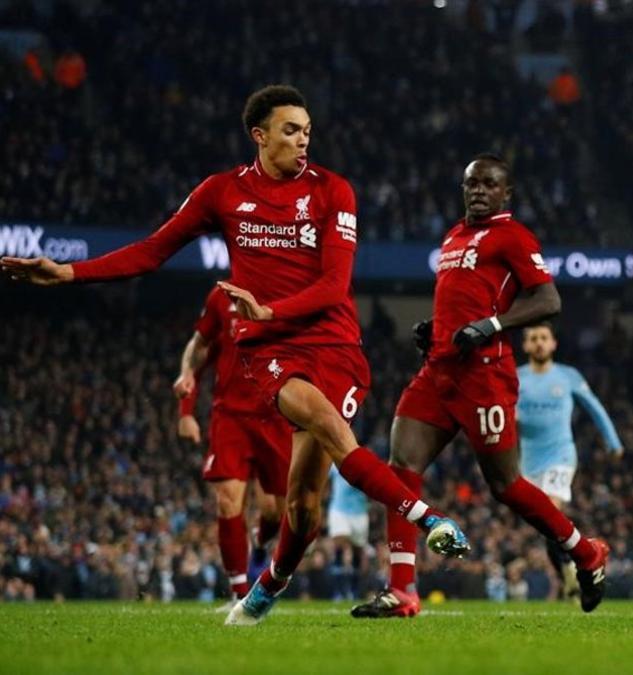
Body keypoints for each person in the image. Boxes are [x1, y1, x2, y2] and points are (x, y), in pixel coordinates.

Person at [1, 84, 470, 626]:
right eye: (291, 130)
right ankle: (430, 517)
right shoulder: (221, 193)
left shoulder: (333, 191)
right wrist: (69, 272)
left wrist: (268, 309)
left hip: (335, 344)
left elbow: (335, 284)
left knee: (302, 508)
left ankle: (269, 585)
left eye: (308, 130)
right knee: (324, 424)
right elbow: (153, 250)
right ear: (260, 134)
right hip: (269, 349)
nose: (303, 140)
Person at [350, 154, 609, 619]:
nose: (479, 191)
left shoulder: (513, 235)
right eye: (472, 183)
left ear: (506, 193)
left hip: (484, 375)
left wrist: (491, 325)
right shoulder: (453, 236)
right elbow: (464, 299)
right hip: (438, 370)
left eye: (490, 184)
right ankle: (403, 590)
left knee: (506, 485)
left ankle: (586, 552)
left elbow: (548, 299)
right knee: (401, 466)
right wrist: (436, 328)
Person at [174, 284, 290, 607]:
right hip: (231, 418)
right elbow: (199, 349)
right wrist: (186, 410)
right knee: (227, 501)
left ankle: (260, 541)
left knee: (276, 510)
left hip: (276, 417)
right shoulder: (220, 297)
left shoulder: (288, 290)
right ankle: (240, 592)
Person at [517, 322, 622, 598]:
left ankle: (580, 565)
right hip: (528, 462)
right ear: (526, 346)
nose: (539, 343)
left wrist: (613, 442)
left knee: (552, 513)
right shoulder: (515, 378)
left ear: (553, 343)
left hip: (560, 455)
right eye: (533, 339)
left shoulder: (567, 376)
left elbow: (594, 407)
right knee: (545, 525)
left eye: (544, 338)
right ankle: (568, 576)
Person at [326, 465, 370, 601]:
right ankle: (338, 591)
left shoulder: (365, 462)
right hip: (338, 509)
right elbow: (324, 480)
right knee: (340, 545)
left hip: (359, 511)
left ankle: (353, 590)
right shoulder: (334, 464)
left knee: (357, 552)